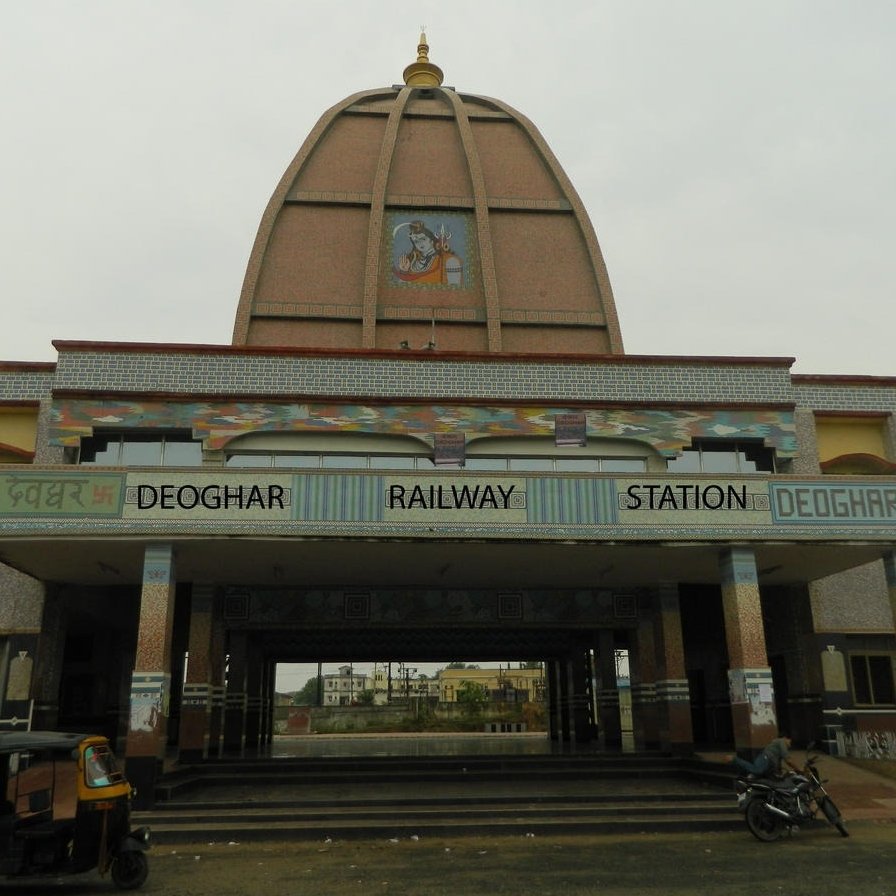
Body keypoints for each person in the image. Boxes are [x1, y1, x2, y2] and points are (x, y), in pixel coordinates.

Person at [394, 220, 463, 285]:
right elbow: (401, 291)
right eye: (416, 241)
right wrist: (404, 271)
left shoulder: (449, 260)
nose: (420, 243)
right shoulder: (411, 262)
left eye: (423, 239)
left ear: (432, 240)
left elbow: (455, 292)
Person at [726, 733, 801, 778]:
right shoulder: (782, 741)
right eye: (790, 742)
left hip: (768, 762)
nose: (790, 745)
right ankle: (735, 759)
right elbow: (788, 760)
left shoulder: (777, 746)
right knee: (757, 770)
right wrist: (799, 770)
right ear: (786, 738)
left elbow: (778, 763)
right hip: (766, 758)